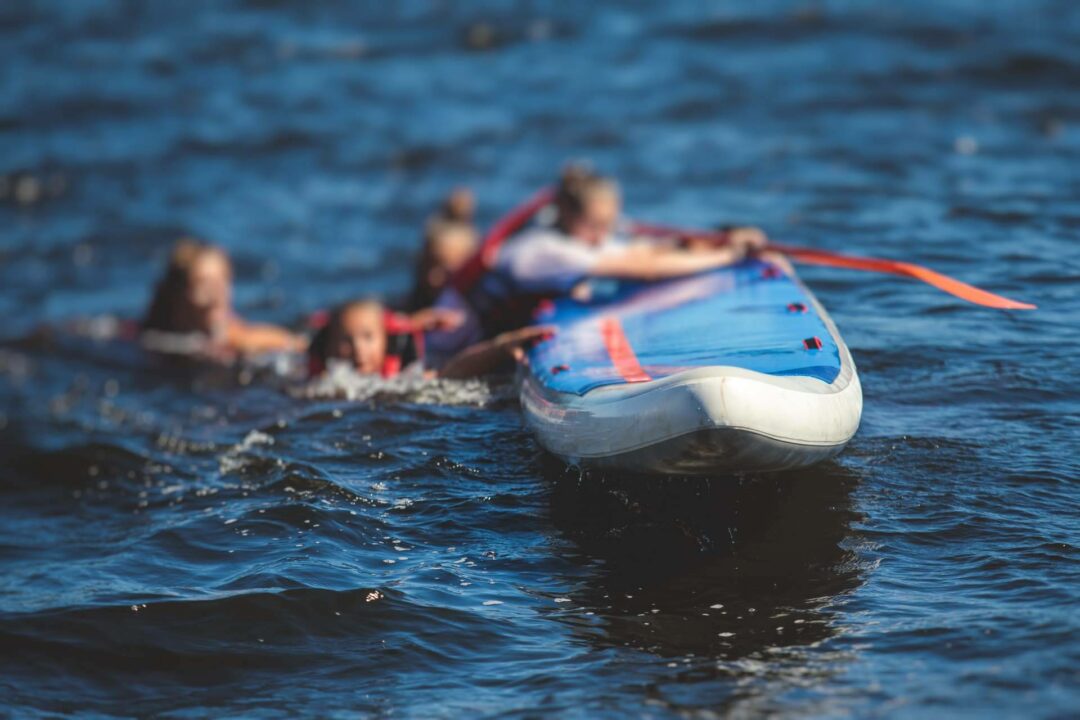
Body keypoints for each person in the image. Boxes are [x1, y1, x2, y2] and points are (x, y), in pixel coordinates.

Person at [424, 165, 769, 366]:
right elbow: (644, 267)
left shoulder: (568, 230)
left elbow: (644, 249)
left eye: (608, 224)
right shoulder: (544, 250)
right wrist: (730, 258)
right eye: (594, 226)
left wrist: (718, 239)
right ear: (568, 214)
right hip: (450, 346)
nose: (602, 235)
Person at [142, 238, 305, 359]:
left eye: (223, 280)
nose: (217, 292)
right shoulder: (151, 338)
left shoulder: (236, 335)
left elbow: (295, 345)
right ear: (178, 293)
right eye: (203, 282)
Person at [307, 298, 549, 380]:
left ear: (387, 340)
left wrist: (500, 346)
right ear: (327, 346)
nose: (358, 349)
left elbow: (450, 372)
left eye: (368, 337)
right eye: (346, 340)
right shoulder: (315, 386)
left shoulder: (398, 381)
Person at [408, 218, 479, 311]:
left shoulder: (480, 318)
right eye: (428, 265)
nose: (432, 279)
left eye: (446, 272)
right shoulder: (403, 310)